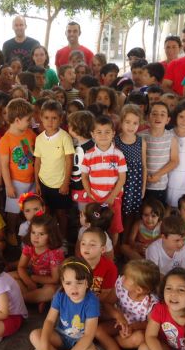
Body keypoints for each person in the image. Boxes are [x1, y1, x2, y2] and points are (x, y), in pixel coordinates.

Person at [28, 258, 100, 350]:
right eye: (68, 283)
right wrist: (44, 343)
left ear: (87, 283)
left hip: (80, 341)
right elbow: (49, 321)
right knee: (35, 335)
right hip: (61, 336)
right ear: (62, 283)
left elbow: (89, 335)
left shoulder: (92, 302)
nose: (73, 288)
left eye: (79, 282)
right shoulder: (59, 295)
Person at [94, 259, 161, 350]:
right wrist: (117, 315)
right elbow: (107, 303)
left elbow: (151, 325)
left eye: (127, 278)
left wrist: (132, 327)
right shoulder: (121, 286)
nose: (122, 277)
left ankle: (106, 344)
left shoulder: (151, 304)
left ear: (139, 289)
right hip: (117, 321)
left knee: (140, 337)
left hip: (134, 329)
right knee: (98, 329)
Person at [80, 115, 127, 246]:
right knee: (93, 226)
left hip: (113, 198)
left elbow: (122, 178)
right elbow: (84, 176)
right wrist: (89, 193)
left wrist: (112, 196)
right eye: (99, 132)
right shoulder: (88, 154)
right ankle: (95, 250)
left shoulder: (118, 154)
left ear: (113, 134)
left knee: (114, 227)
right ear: (92, 134)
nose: (103, 135)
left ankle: (112, 254)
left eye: (107, 132)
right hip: (94, 198)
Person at [33, 100, 74, 241]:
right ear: (41, 118)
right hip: (44, 182)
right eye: (46, 118)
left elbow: (69, 161)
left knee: (61, 213)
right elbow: (37, 162)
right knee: (47, 213)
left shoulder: (65, 137)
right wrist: (37, 183)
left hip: (60, 184)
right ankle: (49, 238)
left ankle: (62, 238)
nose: (50, 121)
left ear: (61, 119)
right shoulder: (39, 139)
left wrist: (65, 183)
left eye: (54, 118)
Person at [0, 99, 36, 243]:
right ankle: (11, 232)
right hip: (16, 182)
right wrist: (8, 185)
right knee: (13, 211)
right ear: (17, 120)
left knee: (31, 208)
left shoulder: (30, 133)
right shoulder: (5, 140)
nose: (31, 122)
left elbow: (33, 153)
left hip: (31, 180)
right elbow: (4, 165)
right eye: (28, 119)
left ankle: (30, 231)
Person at [13, 214, 64, 307]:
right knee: (9, 277)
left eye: (41, 234)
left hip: (48, 282)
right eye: (33, 232)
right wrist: (29, 282)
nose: (36, 237)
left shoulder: (55, 253)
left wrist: (33, 278)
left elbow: (55, 279)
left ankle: (21, 299)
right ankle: (35, 298)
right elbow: (21, 267)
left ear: (51, 235)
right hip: (32, 276)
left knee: (51, 291)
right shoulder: (29, 246)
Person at [115, 105, 147, 238]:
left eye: (135, 123)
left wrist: (143, 188)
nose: (131, 126)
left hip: (134, 184)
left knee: (129, 214)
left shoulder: (141, 141)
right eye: (127, 122)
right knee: (117, 213)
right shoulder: (115, 140)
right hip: (118, 183)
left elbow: (144, 166)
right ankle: (116, 243)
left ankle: (125, 241)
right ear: (121, 122)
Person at [140, 102, 179, 205]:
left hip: (160, 185)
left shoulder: (171, 138)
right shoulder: (140, 136)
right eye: (154, 114)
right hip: (141, 184)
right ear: (148, 117)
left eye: (162, 114)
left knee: (156, 213)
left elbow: (174, 161)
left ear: (168, 120)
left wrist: (158, 175)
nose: (158, 117)